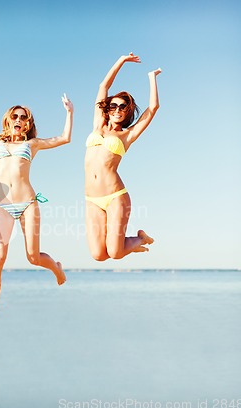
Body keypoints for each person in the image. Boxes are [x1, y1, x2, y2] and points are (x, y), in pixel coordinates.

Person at [0, 79, 73, 307]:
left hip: (27, 204)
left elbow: (65, 138)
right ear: (8, 120)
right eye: (15, 116)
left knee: (33, 257)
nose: (19, 120)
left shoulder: (32, 144)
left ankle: (56, 268)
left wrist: (69, 112)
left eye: (23, 117)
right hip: (2, 205)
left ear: (27, 124)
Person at [85, 52, 161, 261]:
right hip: (92, 199)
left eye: (123, 107)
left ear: (127, 112)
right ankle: (130, 245)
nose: (118, 109)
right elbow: (103, 86)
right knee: (99, 255)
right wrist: (121, 60)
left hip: (115, 196)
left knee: (115, 253)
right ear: (107, 109)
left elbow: (153, 108)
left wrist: (151, 78)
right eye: (114, 106)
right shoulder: (97, 125)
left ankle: (139, 240)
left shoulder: (127, 135)